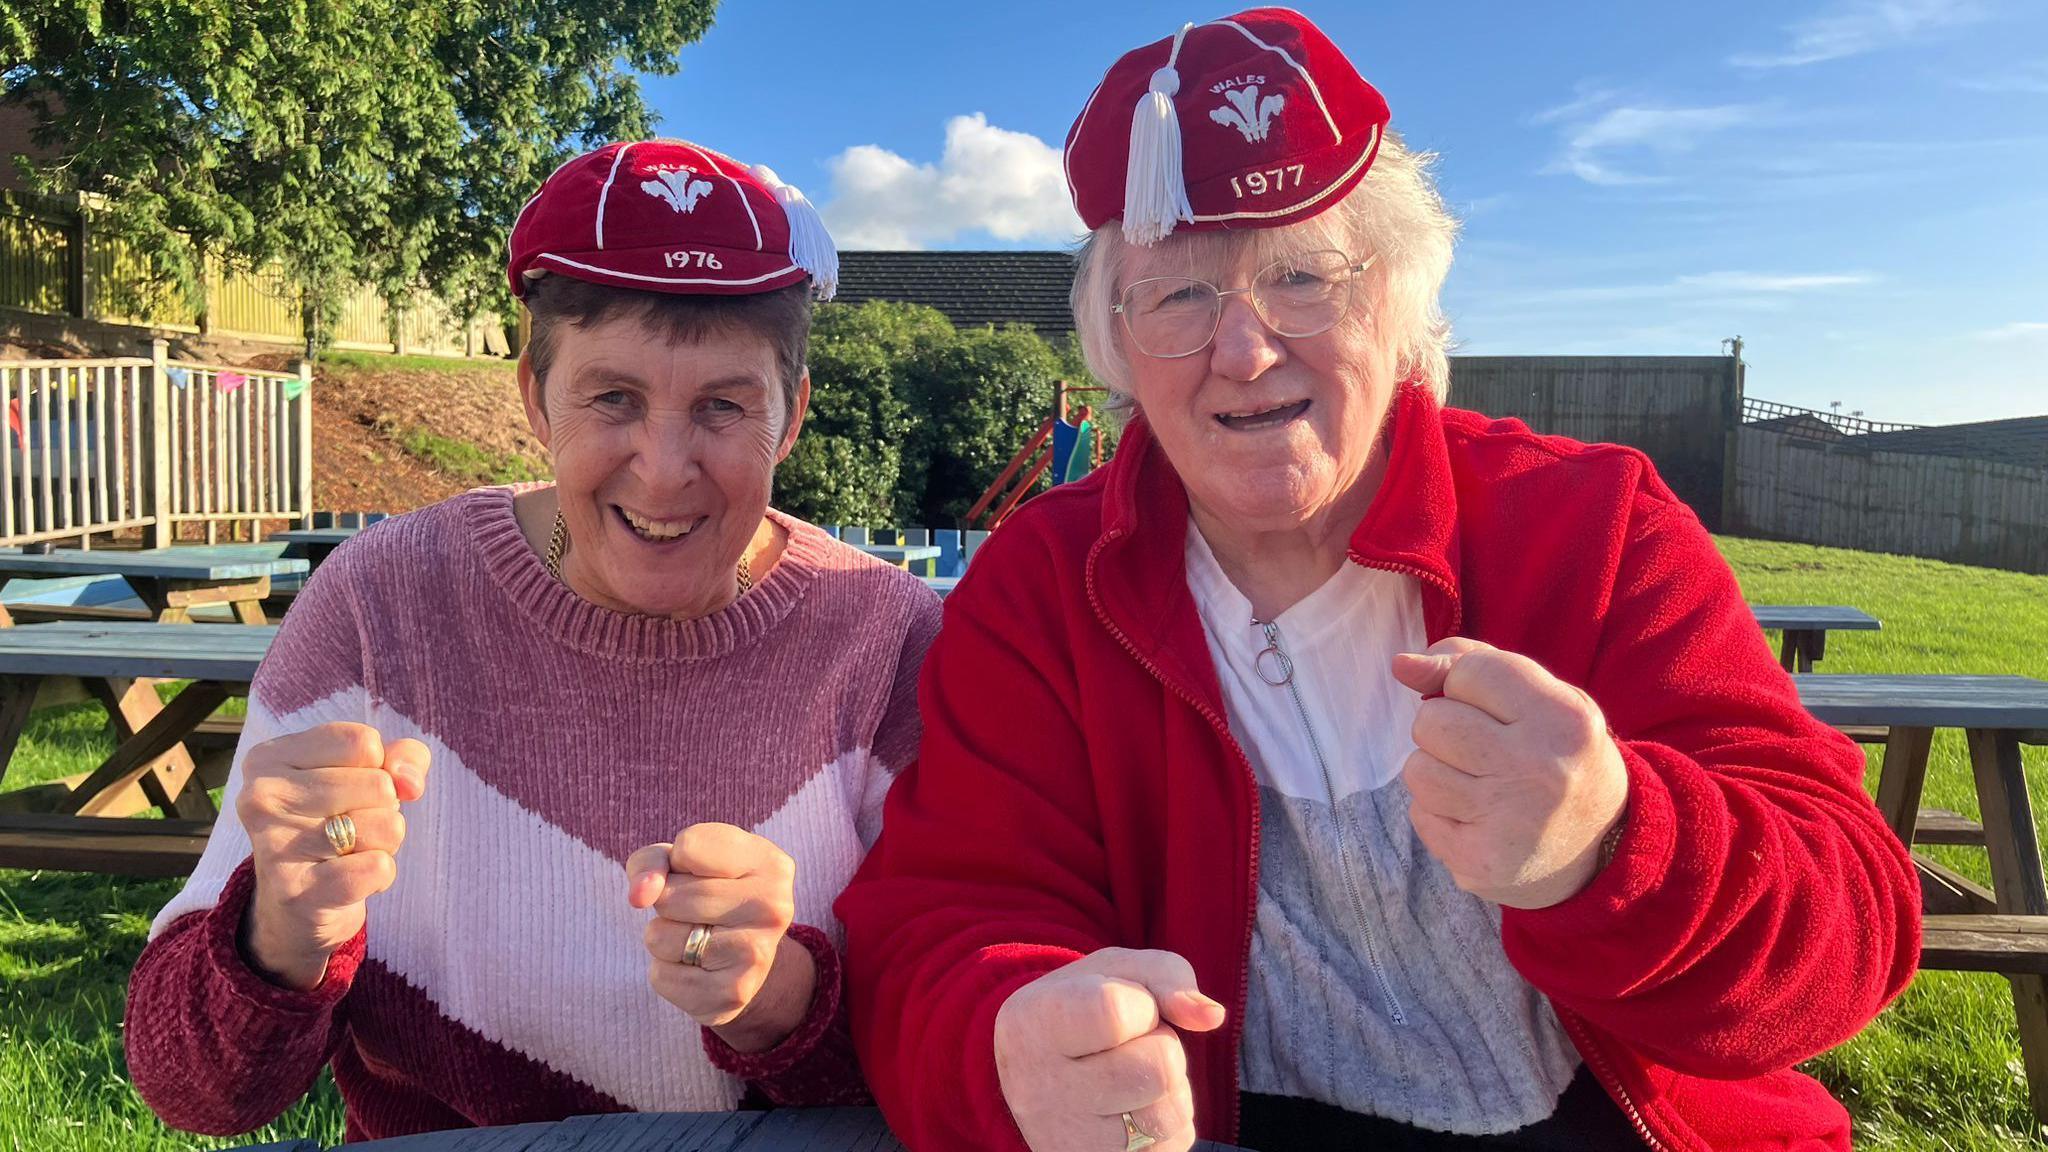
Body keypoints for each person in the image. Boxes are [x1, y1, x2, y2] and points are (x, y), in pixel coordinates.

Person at [837, 10, 1921, 1151]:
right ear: (1115, 337)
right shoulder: (1045, 585)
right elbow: (936, 927)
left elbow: (1853, 926)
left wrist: (1611, 841)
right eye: (1179, 297)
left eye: (1301, 276)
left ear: (1396, 303)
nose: (1244, 352)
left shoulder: (1590, 524)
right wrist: (1004, 1037)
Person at [125, 139, 941, 1141]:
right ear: (532, 399)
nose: (663, 469)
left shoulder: (889, 639)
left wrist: (782, 1001)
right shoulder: (381, 606)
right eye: (613, 399)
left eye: (724, 407)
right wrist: (281, 932)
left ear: (791, 416)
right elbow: (197, 1094)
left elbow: (946, 1059)